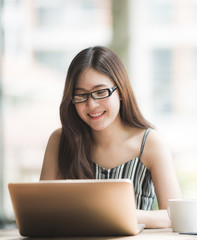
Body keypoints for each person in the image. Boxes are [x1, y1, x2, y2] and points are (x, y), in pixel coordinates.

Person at [40, 46, 181, 228]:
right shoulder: (60, 140)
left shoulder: (150, 142)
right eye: (81, 95)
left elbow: (174, 216)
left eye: (100, 92)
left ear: (121, 91)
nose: (91, 104)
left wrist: (121, 213)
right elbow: (41, 211)